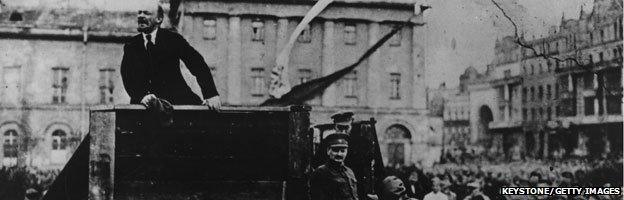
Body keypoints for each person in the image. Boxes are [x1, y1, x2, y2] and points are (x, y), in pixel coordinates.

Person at [121, 0, 221, 109]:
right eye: (139, 13)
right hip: (144, 106)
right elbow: (127, 77)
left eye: (146, 13)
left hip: (177, 104)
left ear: (159, 19)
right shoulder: (131, 46)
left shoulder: (173, 40)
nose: (141, 16)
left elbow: (197, 64)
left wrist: (211, 94)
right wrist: (141, 96)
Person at [310, 133, 359, 200]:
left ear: (346, 152)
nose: (339, 154)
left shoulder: (349, 172)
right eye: (335, 150)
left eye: (342, 151)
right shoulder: (321, 172)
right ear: (328, 151)